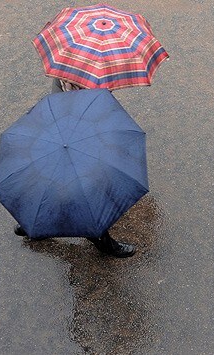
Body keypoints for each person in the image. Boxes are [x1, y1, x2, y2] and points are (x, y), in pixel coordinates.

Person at [13, 78, 136, 258]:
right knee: (82, 185)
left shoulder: (67, 61)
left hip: (62, 117)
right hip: (75, 124)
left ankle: (34, 223)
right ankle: (100, 238)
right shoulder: (90, 73)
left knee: (53, 177)